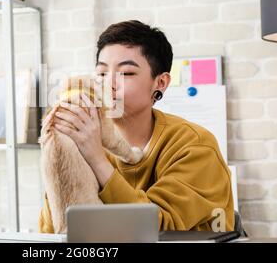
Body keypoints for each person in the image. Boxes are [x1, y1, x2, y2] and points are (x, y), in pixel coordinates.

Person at [39, 20, 234, 233]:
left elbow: (158, 226)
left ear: (160, 83)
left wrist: (96, 159)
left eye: (126, 73)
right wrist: (56, 151)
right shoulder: (83, 137)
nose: (109, 83)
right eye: (102, 73)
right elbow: (54, 230)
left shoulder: (195, 145)